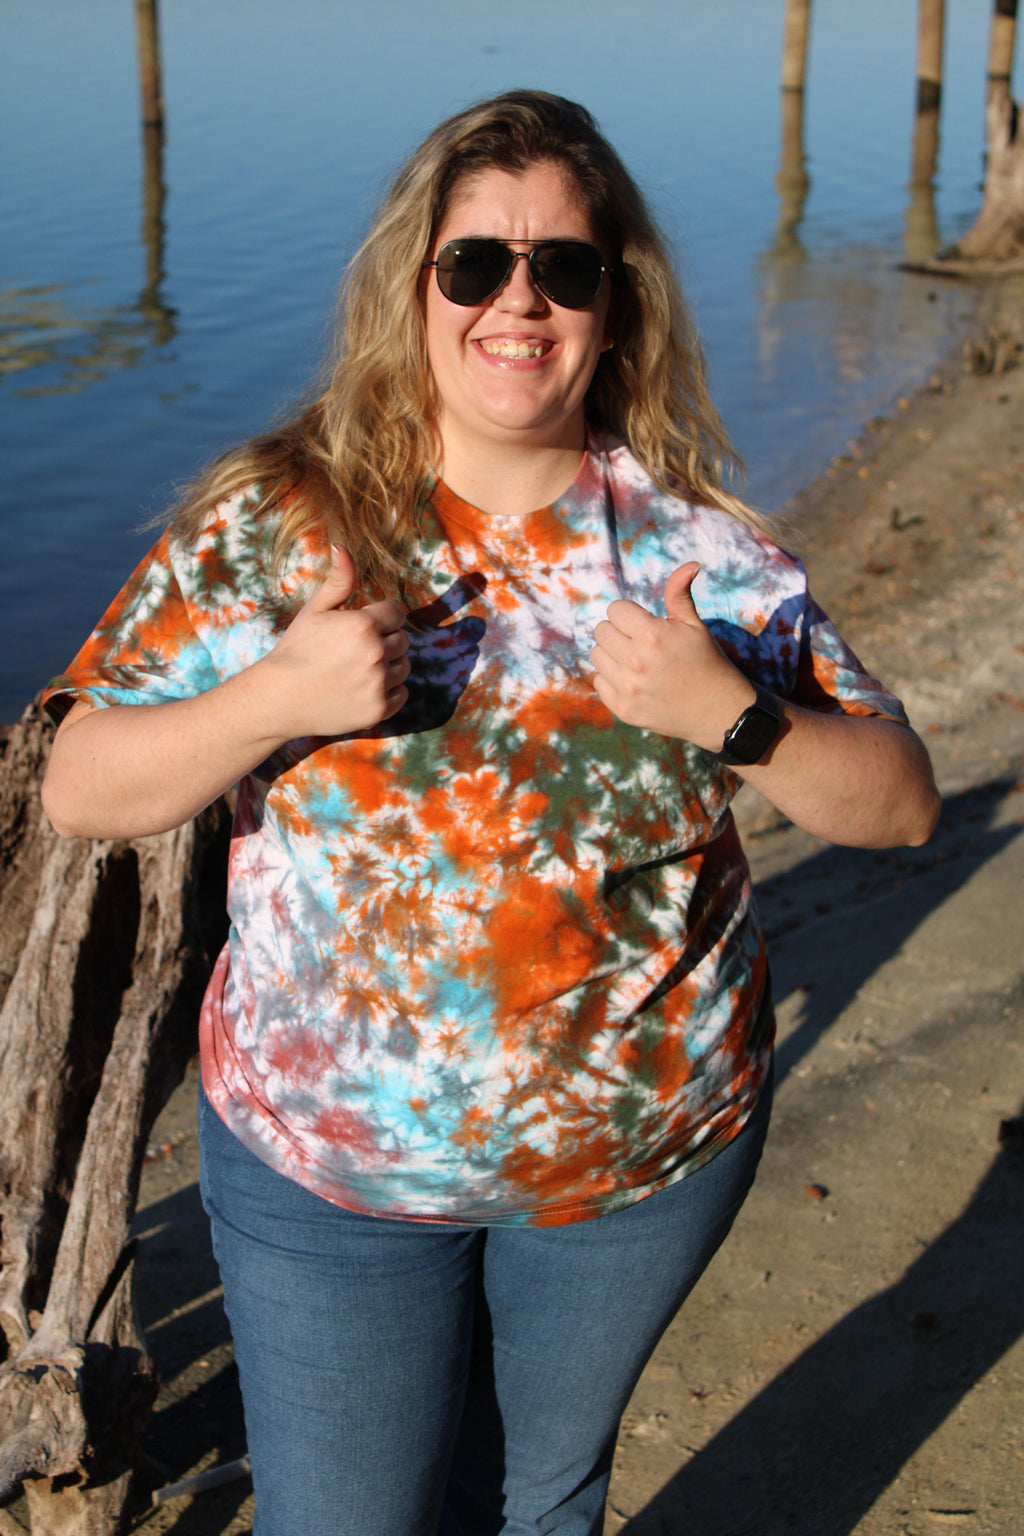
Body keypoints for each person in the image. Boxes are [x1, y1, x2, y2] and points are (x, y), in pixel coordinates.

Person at [41, 90, 939, 1536]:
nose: (519, 301)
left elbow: (898, 808)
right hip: (324, 1168)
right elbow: (80, 784)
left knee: (538, 1502)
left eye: (564, 267)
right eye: (478, 263)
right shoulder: (283, 523)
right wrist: (272, 698)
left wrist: (736, 715)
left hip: (636, 1169)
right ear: (416, 284)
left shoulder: (701, 556)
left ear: (613, 302)